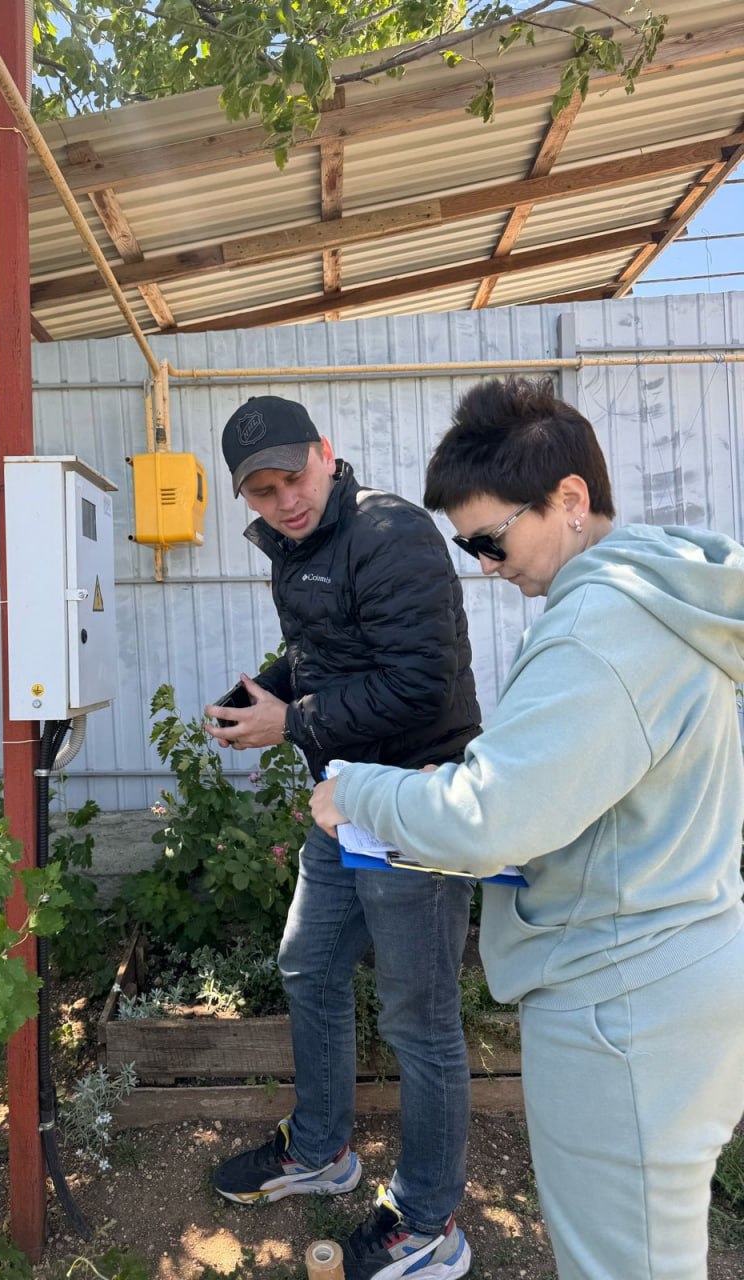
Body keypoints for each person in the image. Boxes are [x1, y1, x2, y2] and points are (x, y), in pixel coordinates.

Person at [310, 375, 744, 1280]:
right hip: (677, 963)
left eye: (490, 539)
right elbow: (577, 782)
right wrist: (476, 776)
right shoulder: (662, 593)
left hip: (622, 1002)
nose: (482, 565)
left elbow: (487, 824)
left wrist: (359, 791)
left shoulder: (599, 625)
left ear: (570, 500)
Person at [203, 394, 481, 1280]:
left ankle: (429, 1222)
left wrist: (292, 722)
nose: (285, 499)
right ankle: (320, 1149)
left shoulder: (389, 531)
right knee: (309, 963)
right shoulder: (295, 549)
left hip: (414, 797)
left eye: (296, 476)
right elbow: (326, 653)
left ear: (328, 452)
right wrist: (267, 688)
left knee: (420, 1019)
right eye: (263, 490)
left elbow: (422, 685)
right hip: (343, 802)